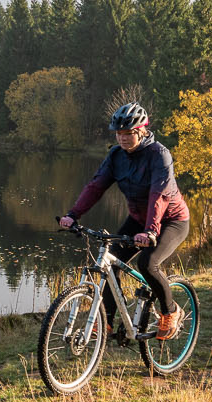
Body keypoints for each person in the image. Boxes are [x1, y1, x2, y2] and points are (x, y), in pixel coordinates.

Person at [58, 102, 191, 337]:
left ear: (141, 131)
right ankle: (107, 321)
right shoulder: (116, 155)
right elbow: (96, 186)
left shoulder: (159, 155)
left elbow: (158, 195)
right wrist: (73, 214)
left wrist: (151, 230)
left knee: (148, 264)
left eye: (128, 133)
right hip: (139, 220)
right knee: (112, 261)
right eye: (118, 133)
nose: (122, 138)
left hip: (172, 220)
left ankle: (171, 311)